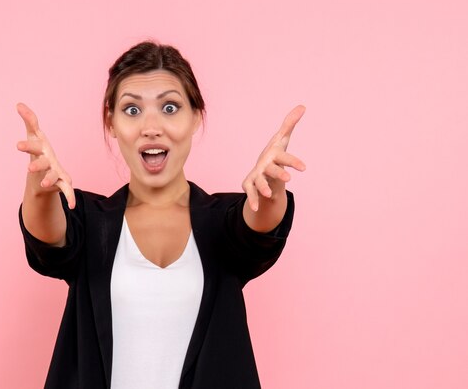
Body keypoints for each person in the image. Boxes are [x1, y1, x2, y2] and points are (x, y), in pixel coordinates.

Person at [17, 41, 306, 389]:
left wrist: (271, 188)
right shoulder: (90, 222)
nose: (151, 126)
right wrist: (39, 186)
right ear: (111, 122)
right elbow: (49, 236)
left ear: (196, 116)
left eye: (170, 107)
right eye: (132, 110)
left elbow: (257, 226)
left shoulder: (222, 223)